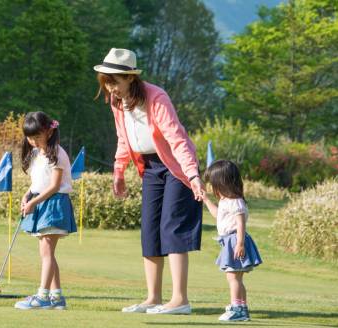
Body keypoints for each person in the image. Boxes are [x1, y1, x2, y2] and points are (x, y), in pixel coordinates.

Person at [94, 48, 204, 314]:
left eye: (115, 82)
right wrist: (119, 171)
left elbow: (177, 139)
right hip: (151, 169)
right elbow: (123, 138)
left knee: (172, 227)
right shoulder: (116, 102)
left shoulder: (157, 98)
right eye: (107, 82)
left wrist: (192, 175)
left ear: (131, 77)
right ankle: (153, 298)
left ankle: (180, 300)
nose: (111, 88)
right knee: (150, 230)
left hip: (176, 167)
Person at [13, 111, 77, 310]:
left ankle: (42, 296)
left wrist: (34, 202)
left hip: (54, 203)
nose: (32, 141)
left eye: (36, 137)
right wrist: (27, 195)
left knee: (46, 252)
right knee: (47, 253)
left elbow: (54, 186)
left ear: (49, 132)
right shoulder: (35, 153)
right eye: (30, 137)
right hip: (41, 201)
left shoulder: (57, 153)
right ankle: (56, 298)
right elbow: (38, 182)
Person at [202, 160, 262, 322]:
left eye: (213, 184)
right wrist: (207, 201)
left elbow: (240, 223)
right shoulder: (225, 201)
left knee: (233, 277)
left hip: (235, 240)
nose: (212, 187)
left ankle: (237, 309)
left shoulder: (235, 201)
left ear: (222, 182)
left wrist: (240, 243)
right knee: (236, 277)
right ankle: (241, 307)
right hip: (230, 241)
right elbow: (218, 216)